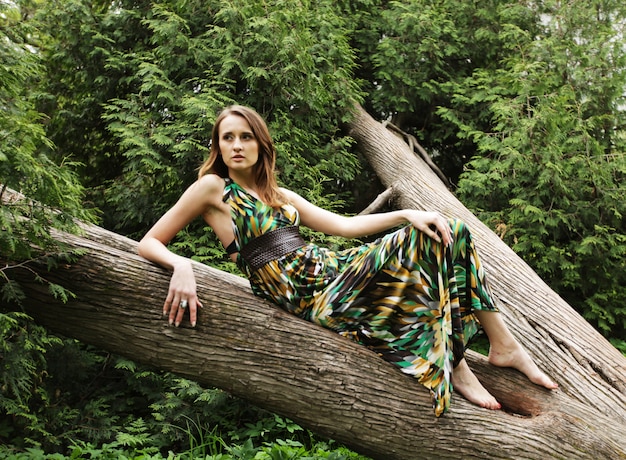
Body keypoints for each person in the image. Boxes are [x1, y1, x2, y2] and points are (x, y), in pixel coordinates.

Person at [138, 105, 558, 416]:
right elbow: (149, 242)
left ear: (260, 143)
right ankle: (457, 363)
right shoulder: (211, 188)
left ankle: (503, 346)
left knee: (452, 231)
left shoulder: (280, 197)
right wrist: (182, 265)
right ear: (218, 146)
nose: (236, 145)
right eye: (227, 138)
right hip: (304, 294)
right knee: (425, 246)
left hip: (329, 272)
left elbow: (343, 226)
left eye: (245, 136)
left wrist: (408, 212)